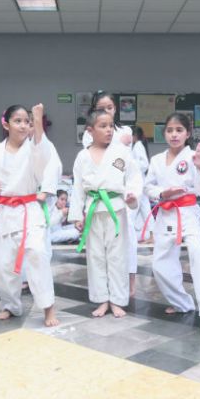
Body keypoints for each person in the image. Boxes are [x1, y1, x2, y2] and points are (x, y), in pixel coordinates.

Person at [0, 103, 60, 327]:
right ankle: (10, 305)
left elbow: (47, 160)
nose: (23, 125)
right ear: (6, 124)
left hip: (28, 209)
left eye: (27, 121)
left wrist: (38, 121)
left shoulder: (35, 147)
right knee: (3, 264)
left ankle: (48, 307)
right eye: (18, 121)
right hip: (2, 211)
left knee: (37, 253)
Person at [144, 113, 200, 335]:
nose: (174, 134)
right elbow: (148, 187)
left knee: (197, 255)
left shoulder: (194, 157)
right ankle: (182, 303)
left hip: (188, 213)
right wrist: (162, 193)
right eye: (169, 130)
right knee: (160, 264)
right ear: (164, 133)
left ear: (188, 133)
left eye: (179, 130)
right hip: (166, 213)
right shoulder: (156, 160)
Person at [70, 109, 142, 317]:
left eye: (111, 125)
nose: (109, 130)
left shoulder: (122, 152)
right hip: (93, 209)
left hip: (115, 208)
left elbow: (134, 178)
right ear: (90, 130)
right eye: (103, 126)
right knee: (95, 256)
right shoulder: (82, 156)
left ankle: (117, 300)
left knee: (117, 256)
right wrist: (76, 215)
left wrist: (132, 195)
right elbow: (77, 188)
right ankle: (101, 299)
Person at [82, 91, 140, 298]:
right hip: (100, 196)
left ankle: (129, 283)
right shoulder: (88, 134)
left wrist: (132, 194)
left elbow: (125, 162)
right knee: (99, 249)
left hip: (122, 193)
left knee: (127, 241)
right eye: (101, 108)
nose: (106, 111)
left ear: (115, 108)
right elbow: (97, 155)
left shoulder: (126, 130)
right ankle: (104, 291)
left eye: (110, 107)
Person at [131, 125, 154, 243]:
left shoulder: (138, 145)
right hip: (139, 182)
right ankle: (152, 234)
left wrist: (131, 164)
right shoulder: (136, 145)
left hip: (138, 183)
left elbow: (145, 164)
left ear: (134, 135)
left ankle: (127, 235)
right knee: (145, 210)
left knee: (132, 210)